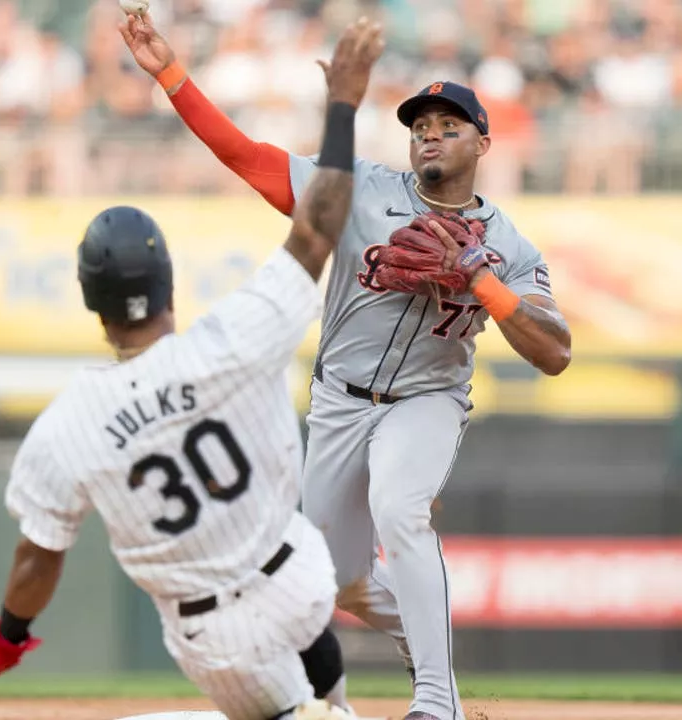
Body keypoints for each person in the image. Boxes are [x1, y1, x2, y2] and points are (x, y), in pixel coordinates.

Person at [119, 14, 572, 720]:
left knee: (400, 510)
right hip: (338, 401)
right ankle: (425, 650)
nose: (430, 132)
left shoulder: (510, 246)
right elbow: (245, 155)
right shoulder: (358, 188)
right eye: (421, 124)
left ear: (483, 142)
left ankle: (434, 699)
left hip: (426, 399)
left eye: (450, 125)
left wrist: (481, 280)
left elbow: (555, 352)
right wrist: (171, 75)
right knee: (335, 581)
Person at [0, 18, 387, 720]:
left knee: (280, 713)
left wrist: (8, 638)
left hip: (215, 633)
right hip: (299, 578)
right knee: (317, 670)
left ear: (94, 307)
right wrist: (342, 103)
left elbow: (39, 559)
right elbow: (320, 223)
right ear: (170, 286)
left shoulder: (70, 423)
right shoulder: (239, 331)